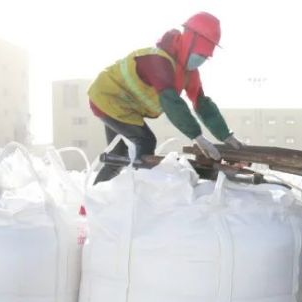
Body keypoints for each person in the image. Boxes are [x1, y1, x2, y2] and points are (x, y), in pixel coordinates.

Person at [88, 12, 245, 182]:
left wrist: (225, 135)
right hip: (108, 97)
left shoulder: (189, 73)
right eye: (200, 54)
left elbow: (201, 103)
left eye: (205, 57)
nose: (201, 59)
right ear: (189, 42)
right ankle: (140, 188)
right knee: (145, 141)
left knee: (117, 156)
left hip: (123, 107)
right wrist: (197, 136)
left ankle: (91, 206)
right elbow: (171, 101)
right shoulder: (157, 59)